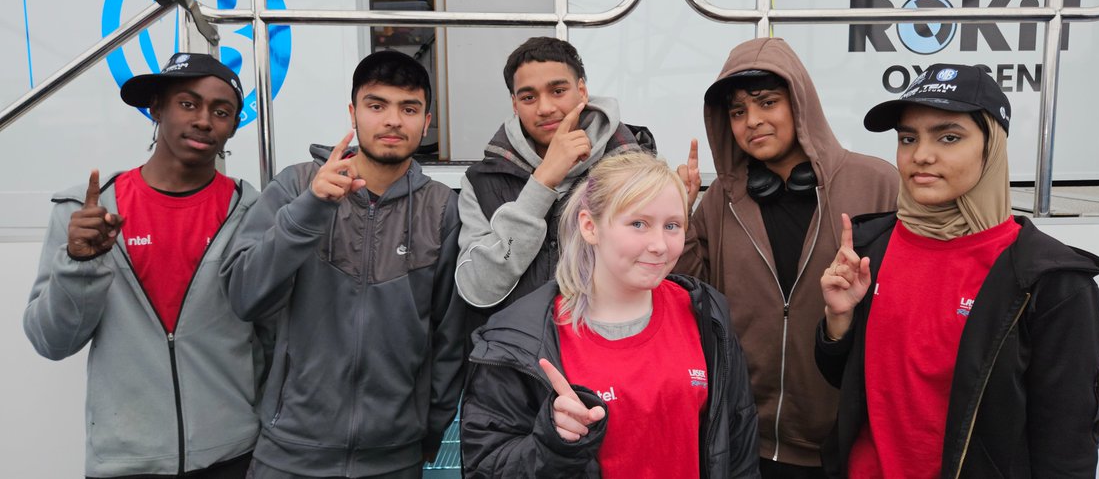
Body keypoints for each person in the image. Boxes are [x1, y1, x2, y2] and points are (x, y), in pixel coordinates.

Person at [815, 64, 1099, 478]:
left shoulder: (1053, 283)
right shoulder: (867, 250)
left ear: (992, 147)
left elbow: (1066, 447)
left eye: (948, 137)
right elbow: (849, 384)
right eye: (907, 138)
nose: (921, 155)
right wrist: (837, 322)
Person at [221, 50, 465, 478]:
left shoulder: (443, 209)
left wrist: (426, 428)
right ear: (353, 113)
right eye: (377, 106)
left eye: (409, 109)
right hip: (288, 455)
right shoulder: (297, 185)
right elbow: (244, 296)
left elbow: (449, 338)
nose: (393, 121)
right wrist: (310, 209)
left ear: (426, 122)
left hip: (394, 458)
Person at [23, 53, 261, 477]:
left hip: (233, 455)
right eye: (188, 104)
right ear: (157, 108)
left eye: (221, 111)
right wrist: (79, 263)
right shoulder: (86, 211)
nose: (205, 120)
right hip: (126, 462)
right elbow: (51, 341)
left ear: (232, 126)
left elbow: (273, 334)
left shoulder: (251, 210)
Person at [673, 37, 898, 477]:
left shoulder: (877, 183)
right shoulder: (721, 198)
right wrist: (676, 222)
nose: (752, 121)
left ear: (800, 103)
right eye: (738, 112)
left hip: (845, 441)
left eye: (766, 102)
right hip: (745, 438)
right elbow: (690, 297)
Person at [460, 151, 759, 478]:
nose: (659, 244)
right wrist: (553, 442)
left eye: (672, 225)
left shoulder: (706, 315)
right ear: (590, 227)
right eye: (638, 224)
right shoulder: (519, 338)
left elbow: (737, 443)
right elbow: (485, 467)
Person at [455, 36, 656, 332]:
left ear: (583, 91)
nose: (545, 107)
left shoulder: (633, 167)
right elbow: (477, 290)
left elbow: (650, 271)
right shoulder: (481, 181)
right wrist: (542, 181)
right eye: (528, 97)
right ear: (514, 104)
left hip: (610, 358)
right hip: (516, 358)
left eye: (558, 90)